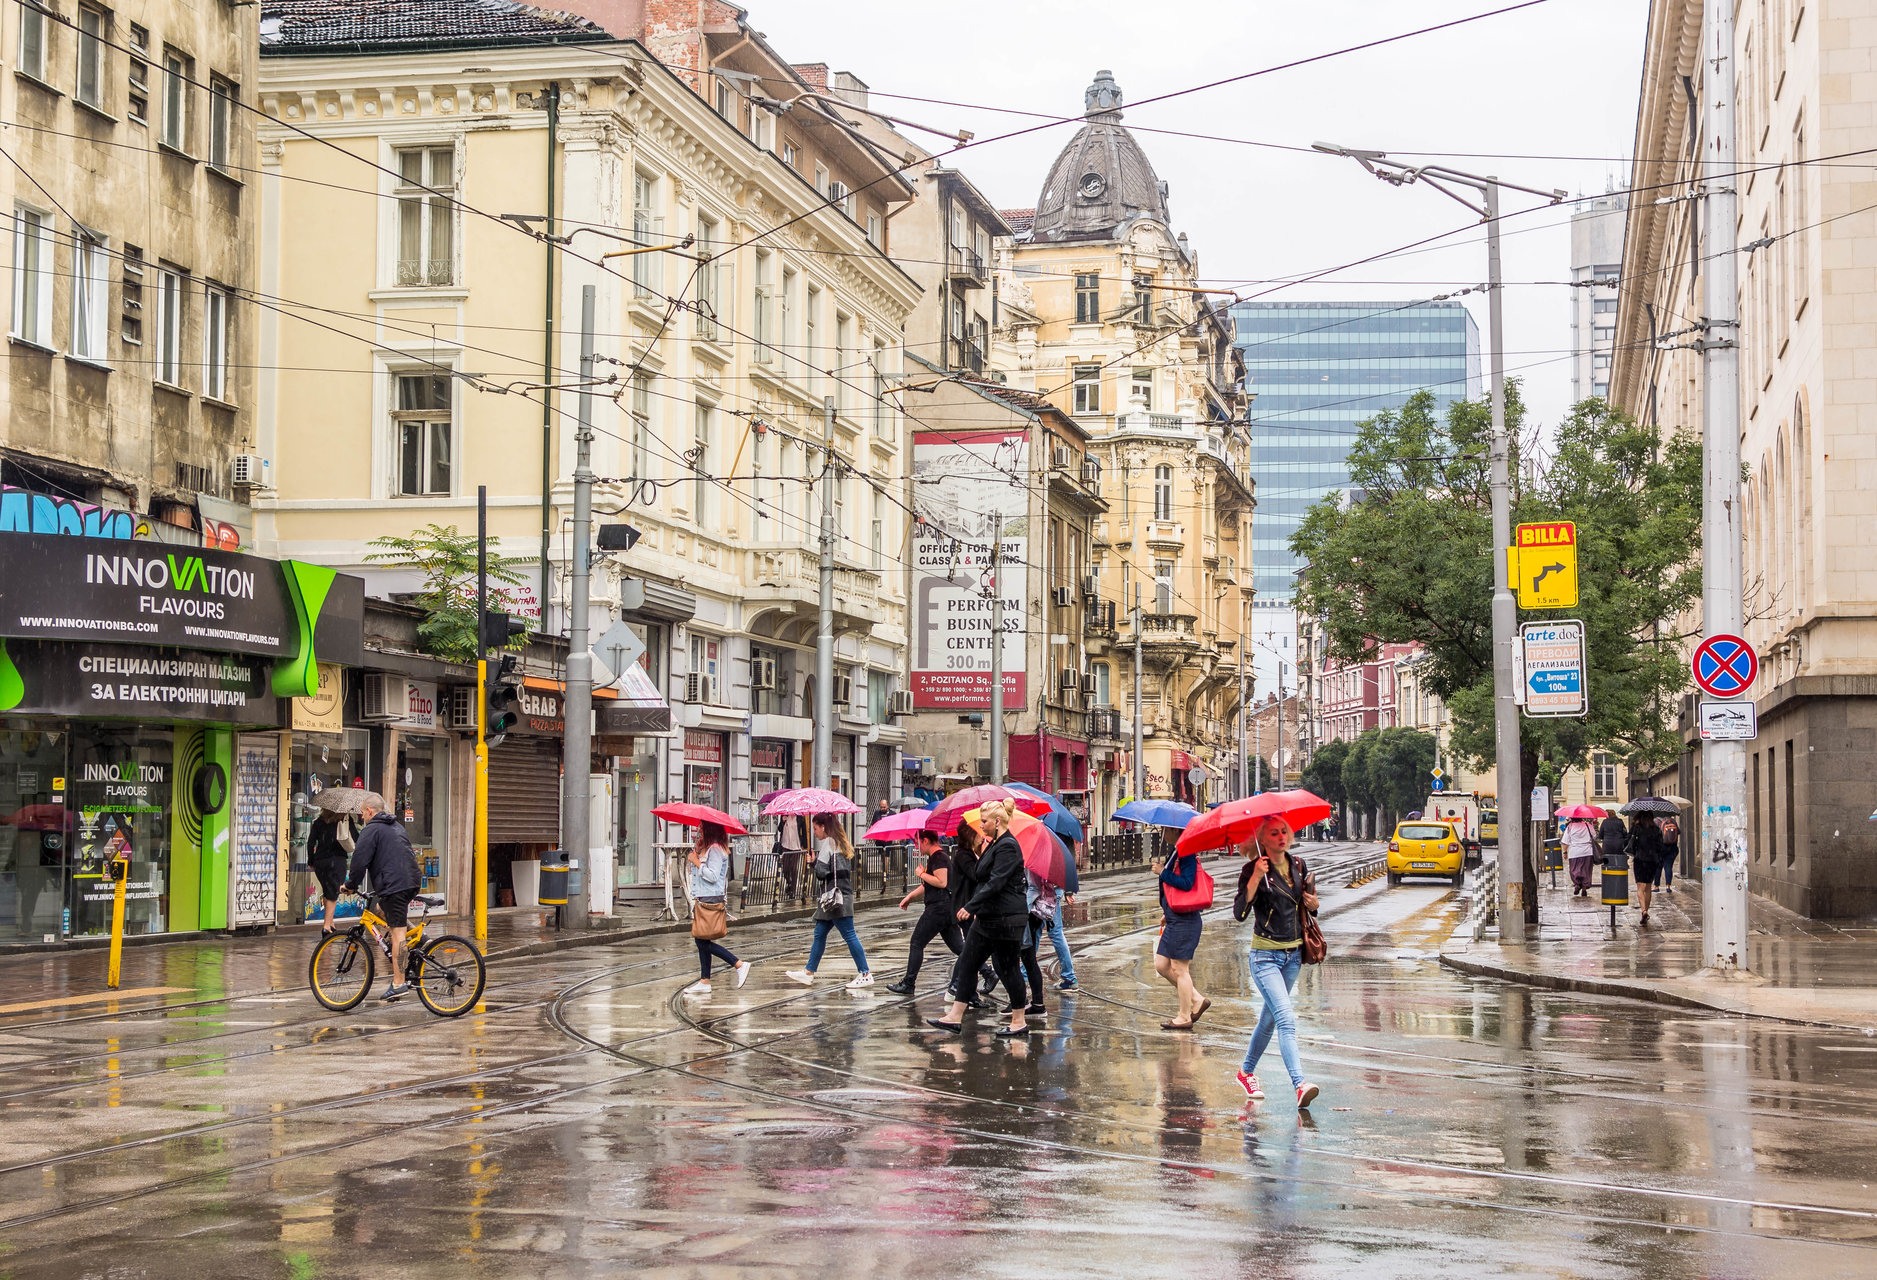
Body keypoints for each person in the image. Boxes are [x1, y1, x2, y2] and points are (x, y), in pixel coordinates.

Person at [1232, 816, 1321, 1109]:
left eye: (1284, 831)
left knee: (1270, 1018)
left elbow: (1310, 904)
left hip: (1293, 955)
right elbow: (1240, 913)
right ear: (1263, 839)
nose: (1281, 836)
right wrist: (1256, 877)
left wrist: (1313, 905)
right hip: (1265, 956)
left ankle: (1246, 1072)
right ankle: (1299, 1084)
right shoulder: (1252, 869)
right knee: (1285, 1018)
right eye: (1274, 833)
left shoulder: (1298, 865)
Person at [925, 801, 1032, 1037]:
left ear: (997, 822)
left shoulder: (1008, 846)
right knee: (968, 963)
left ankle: (1019, 1020)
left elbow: (996, 881)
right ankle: (954, 1016)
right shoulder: (993, 844)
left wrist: (970, 906)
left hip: (1006, 918)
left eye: (984, 821)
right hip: (987, 917)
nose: (980, 825)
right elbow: (980, 875)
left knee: (1008, 968)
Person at [342, 793, 422, 1002]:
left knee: (397, 934)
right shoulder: (396, 827)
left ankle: (398, 982)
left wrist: (350, 885)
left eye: (362, 813)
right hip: (410, 881)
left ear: (369, 811)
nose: (361, 817)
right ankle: (424, 940)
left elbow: (359, 861)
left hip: (394, 885)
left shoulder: (372, 829)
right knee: (381, 911)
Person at [786, 815, 874, 989]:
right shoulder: (841, 843)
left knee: (849, 934)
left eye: (816, 828)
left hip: (835, 900)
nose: (815, 832)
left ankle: (865, 973)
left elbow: (821, 873)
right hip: (839, 897)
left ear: (824, 827)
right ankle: (808, 972)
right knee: (820, 933)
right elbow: (836, 871)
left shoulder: (829, 844)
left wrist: (813, 862)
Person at [886, 828, 962, 995]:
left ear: (926, 840)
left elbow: (941, 882)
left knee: (916, 943)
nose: (916, 846)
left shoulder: (939, 857)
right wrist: (910, 897)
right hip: (945, 908)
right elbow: (927, 884)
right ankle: (988, 973)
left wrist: (921, 873)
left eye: (917, 842)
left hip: (938, 908)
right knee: (959, 948)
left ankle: (909, 983)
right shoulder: (935, 858)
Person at [685, 821, 750, 997]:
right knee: (702, 940)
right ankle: (705, 981)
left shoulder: (714, 849)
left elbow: (713, 876)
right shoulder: (712, 848)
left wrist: (697, 862)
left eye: (701, 828)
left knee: (701, 939)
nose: (698, 831)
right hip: (706, 895)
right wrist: (697, 855)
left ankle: (738, 964)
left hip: (710, 897)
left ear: (709, 830)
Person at [1155, 835, 1209, 1031]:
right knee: (1161, 965)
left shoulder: (1186, 853)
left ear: (1176, 830)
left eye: (1167, 828)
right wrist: (1166, 911)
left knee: (1180, 969)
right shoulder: (1176, 851)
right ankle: (1197, 999)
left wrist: (1162, 872)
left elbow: (1187, 883)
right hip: (1174, 917)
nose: (1164, 831)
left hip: (1185, 921)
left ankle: (1184, 1016)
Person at [307, 808, 356, 936]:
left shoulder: (318, 822)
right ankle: (326, 926)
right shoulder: (344, 820)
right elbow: (356, 837)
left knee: (328, 891)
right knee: (333, 893)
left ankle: (331, 922)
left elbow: (310, 842)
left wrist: (311, 861)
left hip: (320, 862)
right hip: (337, 861)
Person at [1043, 846, 1079, 991]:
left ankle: (1070, 977)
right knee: (1052, 933)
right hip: (1051, 889)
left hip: (1046, 891)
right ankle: (1069, 977)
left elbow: (1067, 859)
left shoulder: (1050, 834)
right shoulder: (1055, 834)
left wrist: (1068, 889)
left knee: (1038, 934)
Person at [1630, 813, 1665, 927]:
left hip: (1640, 859)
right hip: (1652, 860)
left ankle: (1644, 911)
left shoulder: (1636, 828)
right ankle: (1646, 911)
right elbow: (1661, 846)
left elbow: (1630, 844)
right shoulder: (1656, 829)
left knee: (1640, 887)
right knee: (1648, 886)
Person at [1562, 816, 1598, 896]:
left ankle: (1577, 884)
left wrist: (1565, 852)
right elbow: (1594, 836)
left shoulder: (1570, 827)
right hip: (1587, 851)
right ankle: (1584, 888)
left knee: (1574, 870)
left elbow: (1565, 841)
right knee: (1586, 870)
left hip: (1574, 852)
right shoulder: (1588, 825)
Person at [776, 813, 808, 901]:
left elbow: (804, 831)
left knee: (794, 868)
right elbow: (779, 829)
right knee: (785, 869)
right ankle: (789, 884)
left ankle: (793, 891)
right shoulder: (784, 815)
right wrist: (782, 821)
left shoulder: (800, 817)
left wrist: (804, 845)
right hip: (785, 846)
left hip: (796, 846)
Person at [1657, 813, 1680, 893]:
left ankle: (1656, 886)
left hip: (1660, 848)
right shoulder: (1672, 821)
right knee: (1668, 867)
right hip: (1673, 848)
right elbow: (1679, 832)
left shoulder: (1656, 821)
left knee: (1658, 867)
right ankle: (1668, 886)